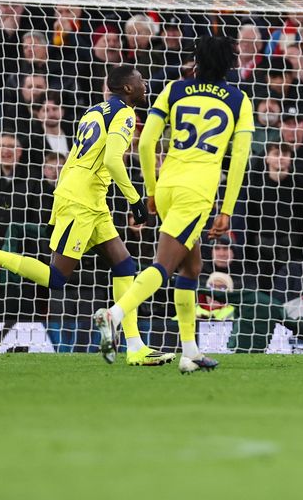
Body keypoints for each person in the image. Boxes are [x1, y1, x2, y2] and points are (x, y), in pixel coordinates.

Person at [0, 66, 170, 366]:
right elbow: (114, 161)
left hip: (91, 198)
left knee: (125, 265)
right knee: (57, 277)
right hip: (80, 201)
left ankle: (135, 346)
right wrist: (135, 199)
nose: (144, 84)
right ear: (127, 88)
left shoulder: (95, 110)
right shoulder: (125, 114)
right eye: (139, 80)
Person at [95, 36, 253, 374]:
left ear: (197, 61)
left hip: (167, 185)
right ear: (228, 64)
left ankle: (190, 352)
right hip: (197, 193)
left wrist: (151, 190)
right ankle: (114, 315)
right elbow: (238, 160)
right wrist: (226, 209)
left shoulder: (174, 89)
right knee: (164, 265)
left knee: (191, 267)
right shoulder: (239, 100)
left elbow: (146, 142)